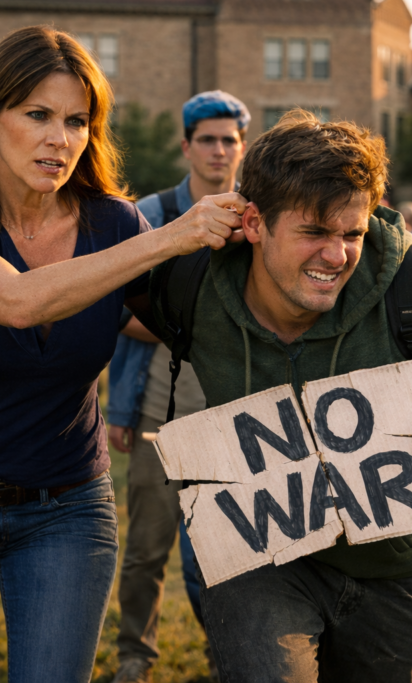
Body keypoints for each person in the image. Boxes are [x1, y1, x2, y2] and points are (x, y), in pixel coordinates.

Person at [0, 26, 244, 683]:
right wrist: (167, 237)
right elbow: (17, 301)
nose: (59, 139)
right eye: (37, 115)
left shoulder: (113, 222)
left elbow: (194, 326)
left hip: (63, 504)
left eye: (76, 121)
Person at [147, 109, 412, 683]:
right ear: (254, 223)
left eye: (351, 233)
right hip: (265, 559)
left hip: (396, 571)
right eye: (313, 233)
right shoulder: (190, 280)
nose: (337, 255)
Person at [107, 89, 249, 683]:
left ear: (242, 147)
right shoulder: (154, 213)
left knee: (222, 551)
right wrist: (186, 329)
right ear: (187, 146)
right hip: (157, 408)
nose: (218, 151)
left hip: (232, 412)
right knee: (145, 549)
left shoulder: (255, 217)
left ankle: (229, 655)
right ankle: (135, 655)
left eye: (229, 140)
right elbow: (116, 306)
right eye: (208, 140)